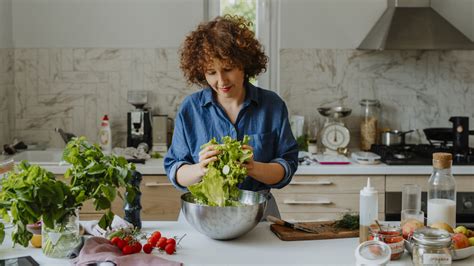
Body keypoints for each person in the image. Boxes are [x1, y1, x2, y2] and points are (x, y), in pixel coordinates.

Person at [164, 15, 298, 219]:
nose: (221, 81)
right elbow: (176, 170)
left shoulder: (272, 105)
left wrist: (253, 167)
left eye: (228, 69)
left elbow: (286, 167)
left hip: (258, 214)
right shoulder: (191, 108)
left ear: (244, 65)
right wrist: (200, 169)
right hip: (203, 213)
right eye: (211, 72)